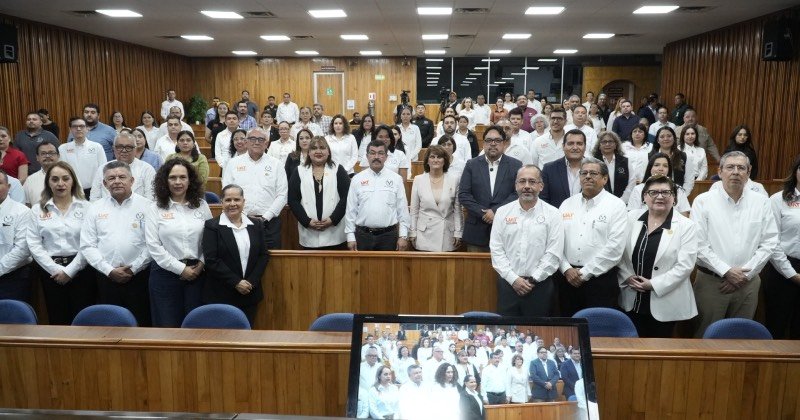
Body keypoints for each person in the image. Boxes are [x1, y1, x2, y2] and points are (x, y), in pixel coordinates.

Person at [691, 151, 778, 337]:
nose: (736, 172)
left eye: (741, 168)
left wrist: (744, 275)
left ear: (749, 172)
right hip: (712, 283)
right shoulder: (703, 201)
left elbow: (769, 242)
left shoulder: (762, 202)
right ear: (720, 171)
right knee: (705, 337)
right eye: (730, 167)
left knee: (741, 338)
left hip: (748, 283)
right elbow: (698, 244)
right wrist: (727, 272)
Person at [618, 175, 699, 338]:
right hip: (631, 297)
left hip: (666, 301)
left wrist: (653, 284)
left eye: (666, 192)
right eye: (653, 192)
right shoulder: (630, 218)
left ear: (674, 198)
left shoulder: (686, 226)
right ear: (644, 196)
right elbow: (618, 253)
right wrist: (626, 276)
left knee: (658, 348)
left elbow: (685, 266)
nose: (660, 196)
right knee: (630, 347)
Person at [81, 161, 153, 326]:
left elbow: (152, 244)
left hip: (140, 277)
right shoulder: (95, 208)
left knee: (141, 323)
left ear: (132, 180)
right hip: (106, 277)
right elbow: (87, 245)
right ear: (105, 183)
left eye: (122, 177)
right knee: (110, 325)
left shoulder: (147, 207)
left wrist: (134, 268)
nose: (117, 181)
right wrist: (109, 270)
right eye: (111, 178)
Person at [145, 158, 212, 327]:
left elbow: (211, 239)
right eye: (172, 177)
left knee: (196, 326)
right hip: (165, 275)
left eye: (183, 177)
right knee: (167, 327)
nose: (178, 182)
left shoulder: (202, 205)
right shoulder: (155, 208)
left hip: (198, 274)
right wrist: (181, 269)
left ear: (190, 180)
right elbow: (153, 246)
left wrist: (201, 263)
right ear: (165, 181)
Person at [490, 165, 563, 316]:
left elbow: (554, 252)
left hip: (540, 286)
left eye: (532, 181)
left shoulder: (553, 214)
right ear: (516, 185)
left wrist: (534, 279)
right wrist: (513, 279)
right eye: (522, 181)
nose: (527, 186)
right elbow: (496, 249)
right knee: (507, 329)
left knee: (538, 329)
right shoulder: (502, 213)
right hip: (508, 284)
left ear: (541, 186)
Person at [558, 157, 628, 315]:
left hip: (600, 280)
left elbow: (615, 248)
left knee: (598, 327)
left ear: (605, 178)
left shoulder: (616, 206)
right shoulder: (566, 204)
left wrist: (584, 273)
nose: (588, 177)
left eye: (593, 173)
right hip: (567, 279)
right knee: (569, 326)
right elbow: (555, 242)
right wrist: (566, 269)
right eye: (584, 173)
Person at [27, 161, 93, 324]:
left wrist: (70, 270)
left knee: (83, 319)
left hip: (81, 269)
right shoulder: (37, 209)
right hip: (50, 272)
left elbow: (89, 243)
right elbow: (34, 244)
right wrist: (55, 269)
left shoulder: (87, 208)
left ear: (73, 181)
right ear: (48, 183)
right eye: (55, 179)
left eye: (65, 178)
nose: (60, 183)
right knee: (57, 319)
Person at [202, 184, 269, 325]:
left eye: (237, 199)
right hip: (221, 294)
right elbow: (211, 260)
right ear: (222, 202)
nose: (232, 204)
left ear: (243, 201)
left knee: (246, 334)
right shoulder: (212, 226)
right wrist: (236, 282)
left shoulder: (256, 224)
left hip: (249, 292)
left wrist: (251, 282)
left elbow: (263, 255)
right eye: (228, 200)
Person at [458, 126, 522, 252]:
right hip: (476, 231)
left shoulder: (516, 165)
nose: (493, 144)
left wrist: (495, 211)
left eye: (497, 140)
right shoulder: (471, 165)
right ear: (483, 144)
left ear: (504, 143)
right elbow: (464, 195)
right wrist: (484, 214)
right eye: (489, 140)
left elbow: (517, 193)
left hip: (506, 230)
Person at [221, 128, 287, 249]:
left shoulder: (276, 164)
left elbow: (282, 195)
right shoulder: (233, 164)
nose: (256, 142)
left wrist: (266, 217)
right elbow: (227, 192)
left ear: (266, 143)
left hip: (269, 223)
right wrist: (243, 215)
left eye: (261, 139)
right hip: (239, 221)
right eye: (252, 138)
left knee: (272, 259)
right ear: (246, 142)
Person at [345, 140, 410, 251]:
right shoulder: (356, 179)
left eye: (380, 153)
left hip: (388, 236)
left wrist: (403, 236)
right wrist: (350, 236)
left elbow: (403, 210)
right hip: (362, 236)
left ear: (386, 157)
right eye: (372, 153)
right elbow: (351, 210)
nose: (376, 157)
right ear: (367, 156)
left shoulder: (396, 179)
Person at [287, 136, 350, 250]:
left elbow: (346, 198)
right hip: (309, 233)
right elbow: (293, 200)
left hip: (335, 234)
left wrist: (333, 219)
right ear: (309, 152)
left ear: (328, 151)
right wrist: (307, 221)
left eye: (322, 147)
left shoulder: (338, 169)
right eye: (314, 148)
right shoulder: (299, 171)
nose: (318, 151)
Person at [763, 157, 800, 339]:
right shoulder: (778, 199)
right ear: (795, 171)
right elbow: (772, 241)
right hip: (782, 269)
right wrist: (792, 274)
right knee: (776, 326)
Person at [409, 146, 462, 252]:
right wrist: (412, 232)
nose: (436, 160)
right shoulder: (418, 180)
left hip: (447, 234)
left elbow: (457, 210)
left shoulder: (454, 180)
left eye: (439, 157)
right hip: (424, 234)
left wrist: (458, 232)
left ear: (445, 160)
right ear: (427, 161)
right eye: (432, 157)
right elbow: (414, 210)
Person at [89, 132, 156, 201]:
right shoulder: (103, 169)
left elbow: (150, 199)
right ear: (113, 148)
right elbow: (94, 198)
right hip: (106, 207)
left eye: (128, 147)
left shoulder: (147, 169)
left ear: (135, 149)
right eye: (120, 147)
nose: (124, 150)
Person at [0, 169, 31, 303]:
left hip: (13, 277)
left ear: (8, 187)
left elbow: (22, 250)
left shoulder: (22, 212)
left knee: (11, 314)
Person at [628, 153, 692, 216]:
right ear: (650, 168)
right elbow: (632, 215)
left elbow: (684, 215)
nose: (661, 169)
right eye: (656, 165)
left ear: (669, 170)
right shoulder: (638, 189)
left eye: (665, 166)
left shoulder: (679, 190)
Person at [59, 117, 107, 199]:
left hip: (94, 191)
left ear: (87, 128)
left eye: (81, 126)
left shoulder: (97, 147)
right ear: (70, 129)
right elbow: (61, 171)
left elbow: (103, 170)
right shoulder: (63, 149)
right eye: (75, 126)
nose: (78, 129)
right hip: (72, 192)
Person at [540, 128, 586, 208]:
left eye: (579, 144)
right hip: (557, 215)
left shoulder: (596, 169)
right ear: (563, 146)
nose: (575, 147)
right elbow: (543, 200)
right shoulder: (549, 169)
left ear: (585, 147)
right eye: (570, 143)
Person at [593, 131, 637, 203]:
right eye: (604, 142)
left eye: (610, 141)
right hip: (598, 203)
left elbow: (632, 182)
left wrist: (622, 200)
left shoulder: (625, 161)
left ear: (616, 145)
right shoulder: (593, 162)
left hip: (622, 202)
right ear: (599, 146)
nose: (607, 144)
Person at [650, 126, 689, 192]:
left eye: (669, 136)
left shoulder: (683, 156)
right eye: (662, 137)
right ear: (657, 140)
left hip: (678, 193)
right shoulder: (650, 156)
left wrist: (681, 194)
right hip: (655, 193)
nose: (666, 139)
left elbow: (688, 180)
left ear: (674, 138)